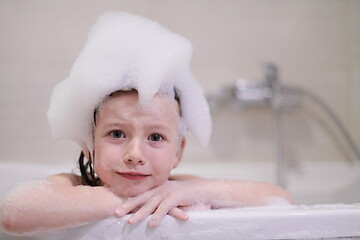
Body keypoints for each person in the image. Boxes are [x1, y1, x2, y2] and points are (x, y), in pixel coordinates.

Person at [0, 12, 292, 235]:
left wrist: (194, 192)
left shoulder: (178, 188)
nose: (135, 154)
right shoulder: (74, 184)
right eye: (116, 133)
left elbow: (280, 200)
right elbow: (13, 212)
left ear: (178, 152)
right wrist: (127, 199)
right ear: (89, 145)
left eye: (155, 137)